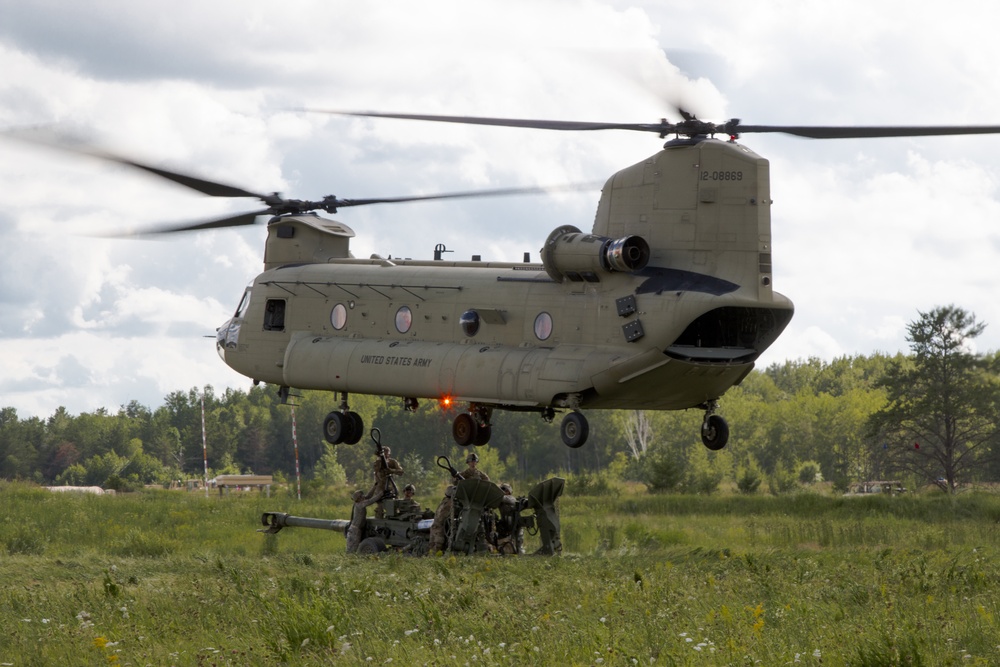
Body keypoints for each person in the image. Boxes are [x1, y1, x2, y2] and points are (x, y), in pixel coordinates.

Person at [365, 445, 404, 518]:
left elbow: (401, 471)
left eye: (388, 454)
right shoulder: (377, 462)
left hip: (391, 487)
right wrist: (380, 460)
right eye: (384, 454)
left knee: (395, 506)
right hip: (380, 488)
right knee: (380, 508)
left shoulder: (393, 462)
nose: (386, 456)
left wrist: (391, 470)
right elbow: (376, 470)